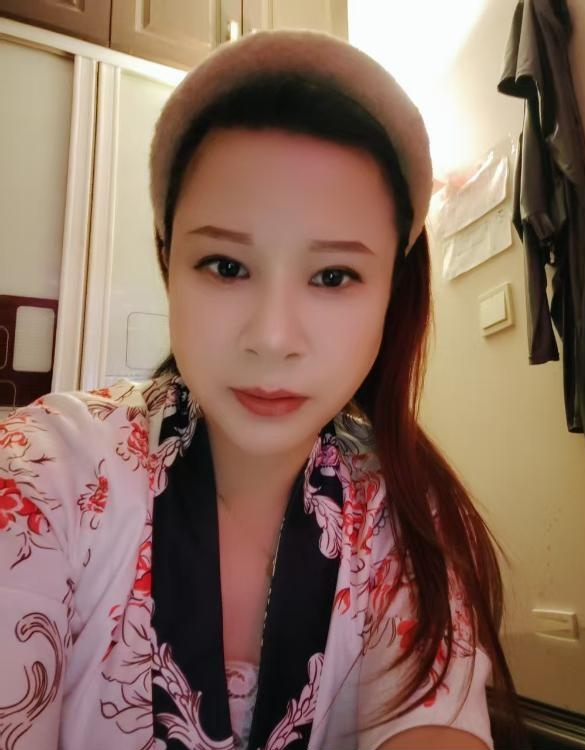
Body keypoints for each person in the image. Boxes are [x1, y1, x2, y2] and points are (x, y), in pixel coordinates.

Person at [0, 30, 529, 750]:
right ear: (167, 260)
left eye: (333, 276)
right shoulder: (43, 473)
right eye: (225, 266)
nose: (273, 337)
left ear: (391, 292)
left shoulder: (407, 516)